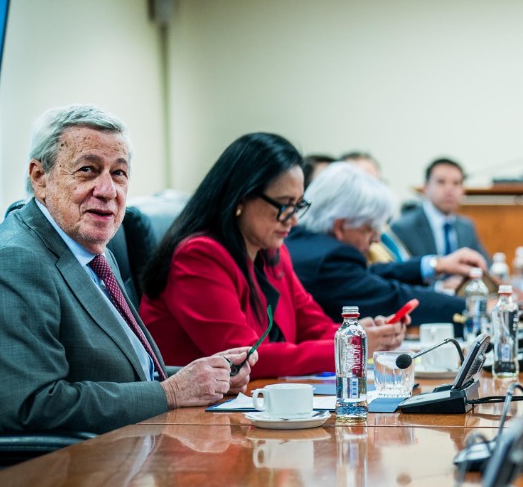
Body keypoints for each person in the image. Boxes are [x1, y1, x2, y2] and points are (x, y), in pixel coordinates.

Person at [0, 105, 254, 435]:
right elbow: (34, 405)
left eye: (119, 173)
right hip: (59, 470)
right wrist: (172, 392)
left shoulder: (92, 247)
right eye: (87, 169)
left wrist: (204, 377)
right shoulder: (14, 263)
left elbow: (127, 374)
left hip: (128, 443)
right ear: (39, 177)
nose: (108, 190)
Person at [141, 132, 406, 378]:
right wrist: (353, 347)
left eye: (298, 205)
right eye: (284, 205)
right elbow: (245, 358)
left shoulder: (272, 252)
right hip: (198, 416)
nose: (292, 219)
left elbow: (312, 325)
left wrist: (358, 334)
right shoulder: (198, 256)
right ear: (241, 198)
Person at [284, 162, 478, 323]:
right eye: (369, 228)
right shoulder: (329, 259)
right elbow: (390, 298)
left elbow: (369, 275)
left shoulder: (304, 242)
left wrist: (436, 265)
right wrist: (472, 308)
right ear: (339, 227)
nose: (376, 238)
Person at [392, 157, 488, 261]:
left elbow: (485, 265)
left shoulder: (466, 226)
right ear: (426, 188)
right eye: (441, 182)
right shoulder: (404, 227)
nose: (449, 189)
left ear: (463, 190)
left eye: (456, 183)